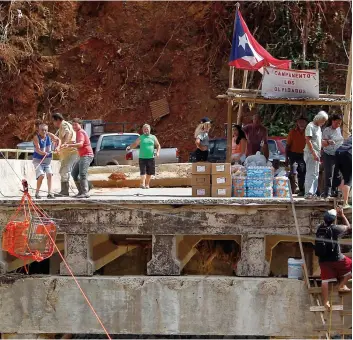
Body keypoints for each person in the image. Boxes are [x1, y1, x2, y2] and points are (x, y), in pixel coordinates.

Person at [315, 208, 352, 310]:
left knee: (325, 280)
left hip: (323, 260)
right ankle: (342, 285)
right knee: (351, 266)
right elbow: (349, 228)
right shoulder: (335, 229)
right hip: (336, 259)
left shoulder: (319, 228)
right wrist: (343, 215)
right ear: (333, 219)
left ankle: (326, 302)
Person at [61, 118, 94, 198]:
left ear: (80, 125)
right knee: (74, 174)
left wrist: (69, 145)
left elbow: (80, 144)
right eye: (73, 125)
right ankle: (81, 191)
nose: (74, 126)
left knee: (82, 174)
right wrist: (69, 143)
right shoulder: (78, 133)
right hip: (82, 156)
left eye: (76, 124)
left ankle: (85, 192)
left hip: (87, 155)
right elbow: (78, 143)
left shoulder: (80, 132)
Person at [304, 111, 332, 199]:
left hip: (317, 152)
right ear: (318, 118)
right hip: (310, 153)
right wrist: (313, 153)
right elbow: (308, 140)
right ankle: (308, 193)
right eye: (322, 121)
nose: (323, 123)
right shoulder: (310, 126)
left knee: (316, 173)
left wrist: (328, 142)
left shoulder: (319, 128)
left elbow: (319, 142)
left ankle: (313, 193)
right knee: (311, 173)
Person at [126, 124, 161, 189]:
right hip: (142, 158)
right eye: (144, 129)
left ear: (150, 129)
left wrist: (158, 152)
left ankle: (147, 184)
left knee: (149, 172)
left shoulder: (153, 137)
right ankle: (142, 184)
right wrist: (129, 147)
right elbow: (135, 144)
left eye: (147, 129)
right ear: (142, 130)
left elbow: (158, 145)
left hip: (151, 158)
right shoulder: (141, 137)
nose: (146, 130)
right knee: (143, 171)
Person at [52, 113, 78, 197]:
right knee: (65, 170)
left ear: (58, 120)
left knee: (64, 171)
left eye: (54, 121)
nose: (53, 123)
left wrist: (65, 143)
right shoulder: (66, 124)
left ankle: (65, 191)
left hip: (70, 152)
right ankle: (64, 190)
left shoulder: (64, 125)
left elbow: (67, 133)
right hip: (69, 152)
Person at [32, 124, 61, 199]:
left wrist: (57, 147)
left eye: (45, 130)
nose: (44, 132)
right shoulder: (36, 138)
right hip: (38, 161)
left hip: (47, 161)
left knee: (49, 174)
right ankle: (37, 193)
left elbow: (58, 140)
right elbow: (38, 150)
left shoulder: (49, 135)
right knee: (41, 175)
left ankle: (49, 193)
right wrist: (45, 153)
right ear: (38, 130)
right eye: (42, 130)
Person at [322, 114, 344, 198]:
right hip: (328, 154)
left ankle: (334, 191)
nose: (338, 125)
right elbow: (323, 142)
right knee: (329, 173)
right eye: (337, 123)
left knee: (337, 173)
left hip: (338, 154)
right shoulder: (327, 130)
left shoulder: (339, 129)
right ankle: (327, 193)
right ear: (332, 121)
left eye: (339, 123)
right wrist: (329, 141)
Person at [286, 116, 308, 196]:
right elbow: (287, 145)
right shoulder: (292, 132)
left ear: (306, 123)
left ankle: (302, 190)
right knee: (292, 172)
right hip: (293, 154)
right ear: (297, 123)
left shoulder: (308, 132)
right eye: (299, 122)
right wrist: (286, 158)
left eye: (303, 122)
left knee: (302, 172)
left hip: (304, 154)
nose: (301, 124)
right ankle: (292, 190)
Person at [335, 135, 352, 209]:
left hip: (338, 153)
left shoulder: (350, 137)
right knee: (349, 179)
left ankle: (341, 198)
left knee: (344, 177)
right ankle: (345, 203)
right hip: (348, 154)